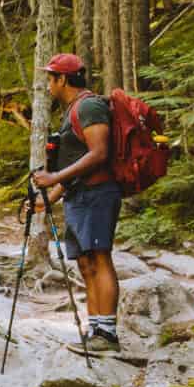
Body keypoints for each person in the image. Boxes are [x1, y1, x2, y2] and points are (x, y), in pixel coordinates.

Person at [30, 52, 121, 352]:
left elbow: (98, 153)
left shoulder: (89, 106)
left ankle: (107, 333)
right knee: (85, 262)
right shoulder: (71, 110)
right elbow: (76, 165)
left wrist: (53, 179)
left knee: (99, 257)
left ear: (63, 79)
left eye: (51, 78)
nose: (48, 85)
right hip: (79, 197)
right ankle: (95, 327)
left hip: (97, 194)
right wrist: (49, 200)